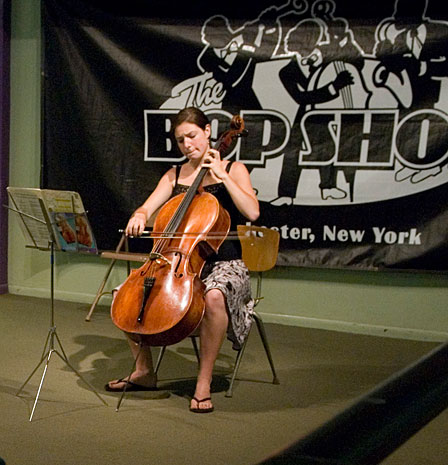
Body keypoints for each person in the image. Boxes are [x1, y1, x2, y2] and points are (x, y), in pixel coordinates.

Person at [106, 107, 260, 413]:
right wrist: (140, 215)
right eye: (180, 140)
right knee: (125, 295)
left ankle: (203, 382)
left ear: (207, 132)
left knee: (214, 296)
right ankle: (144, 371)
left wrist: (222, 176)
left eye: (192, 136)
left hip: (224, 264)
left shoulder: (234, 168)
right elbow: (147, 207)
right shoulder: (174, 175)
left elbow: (252, 212)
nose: (187, 145)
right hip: (179, 265)